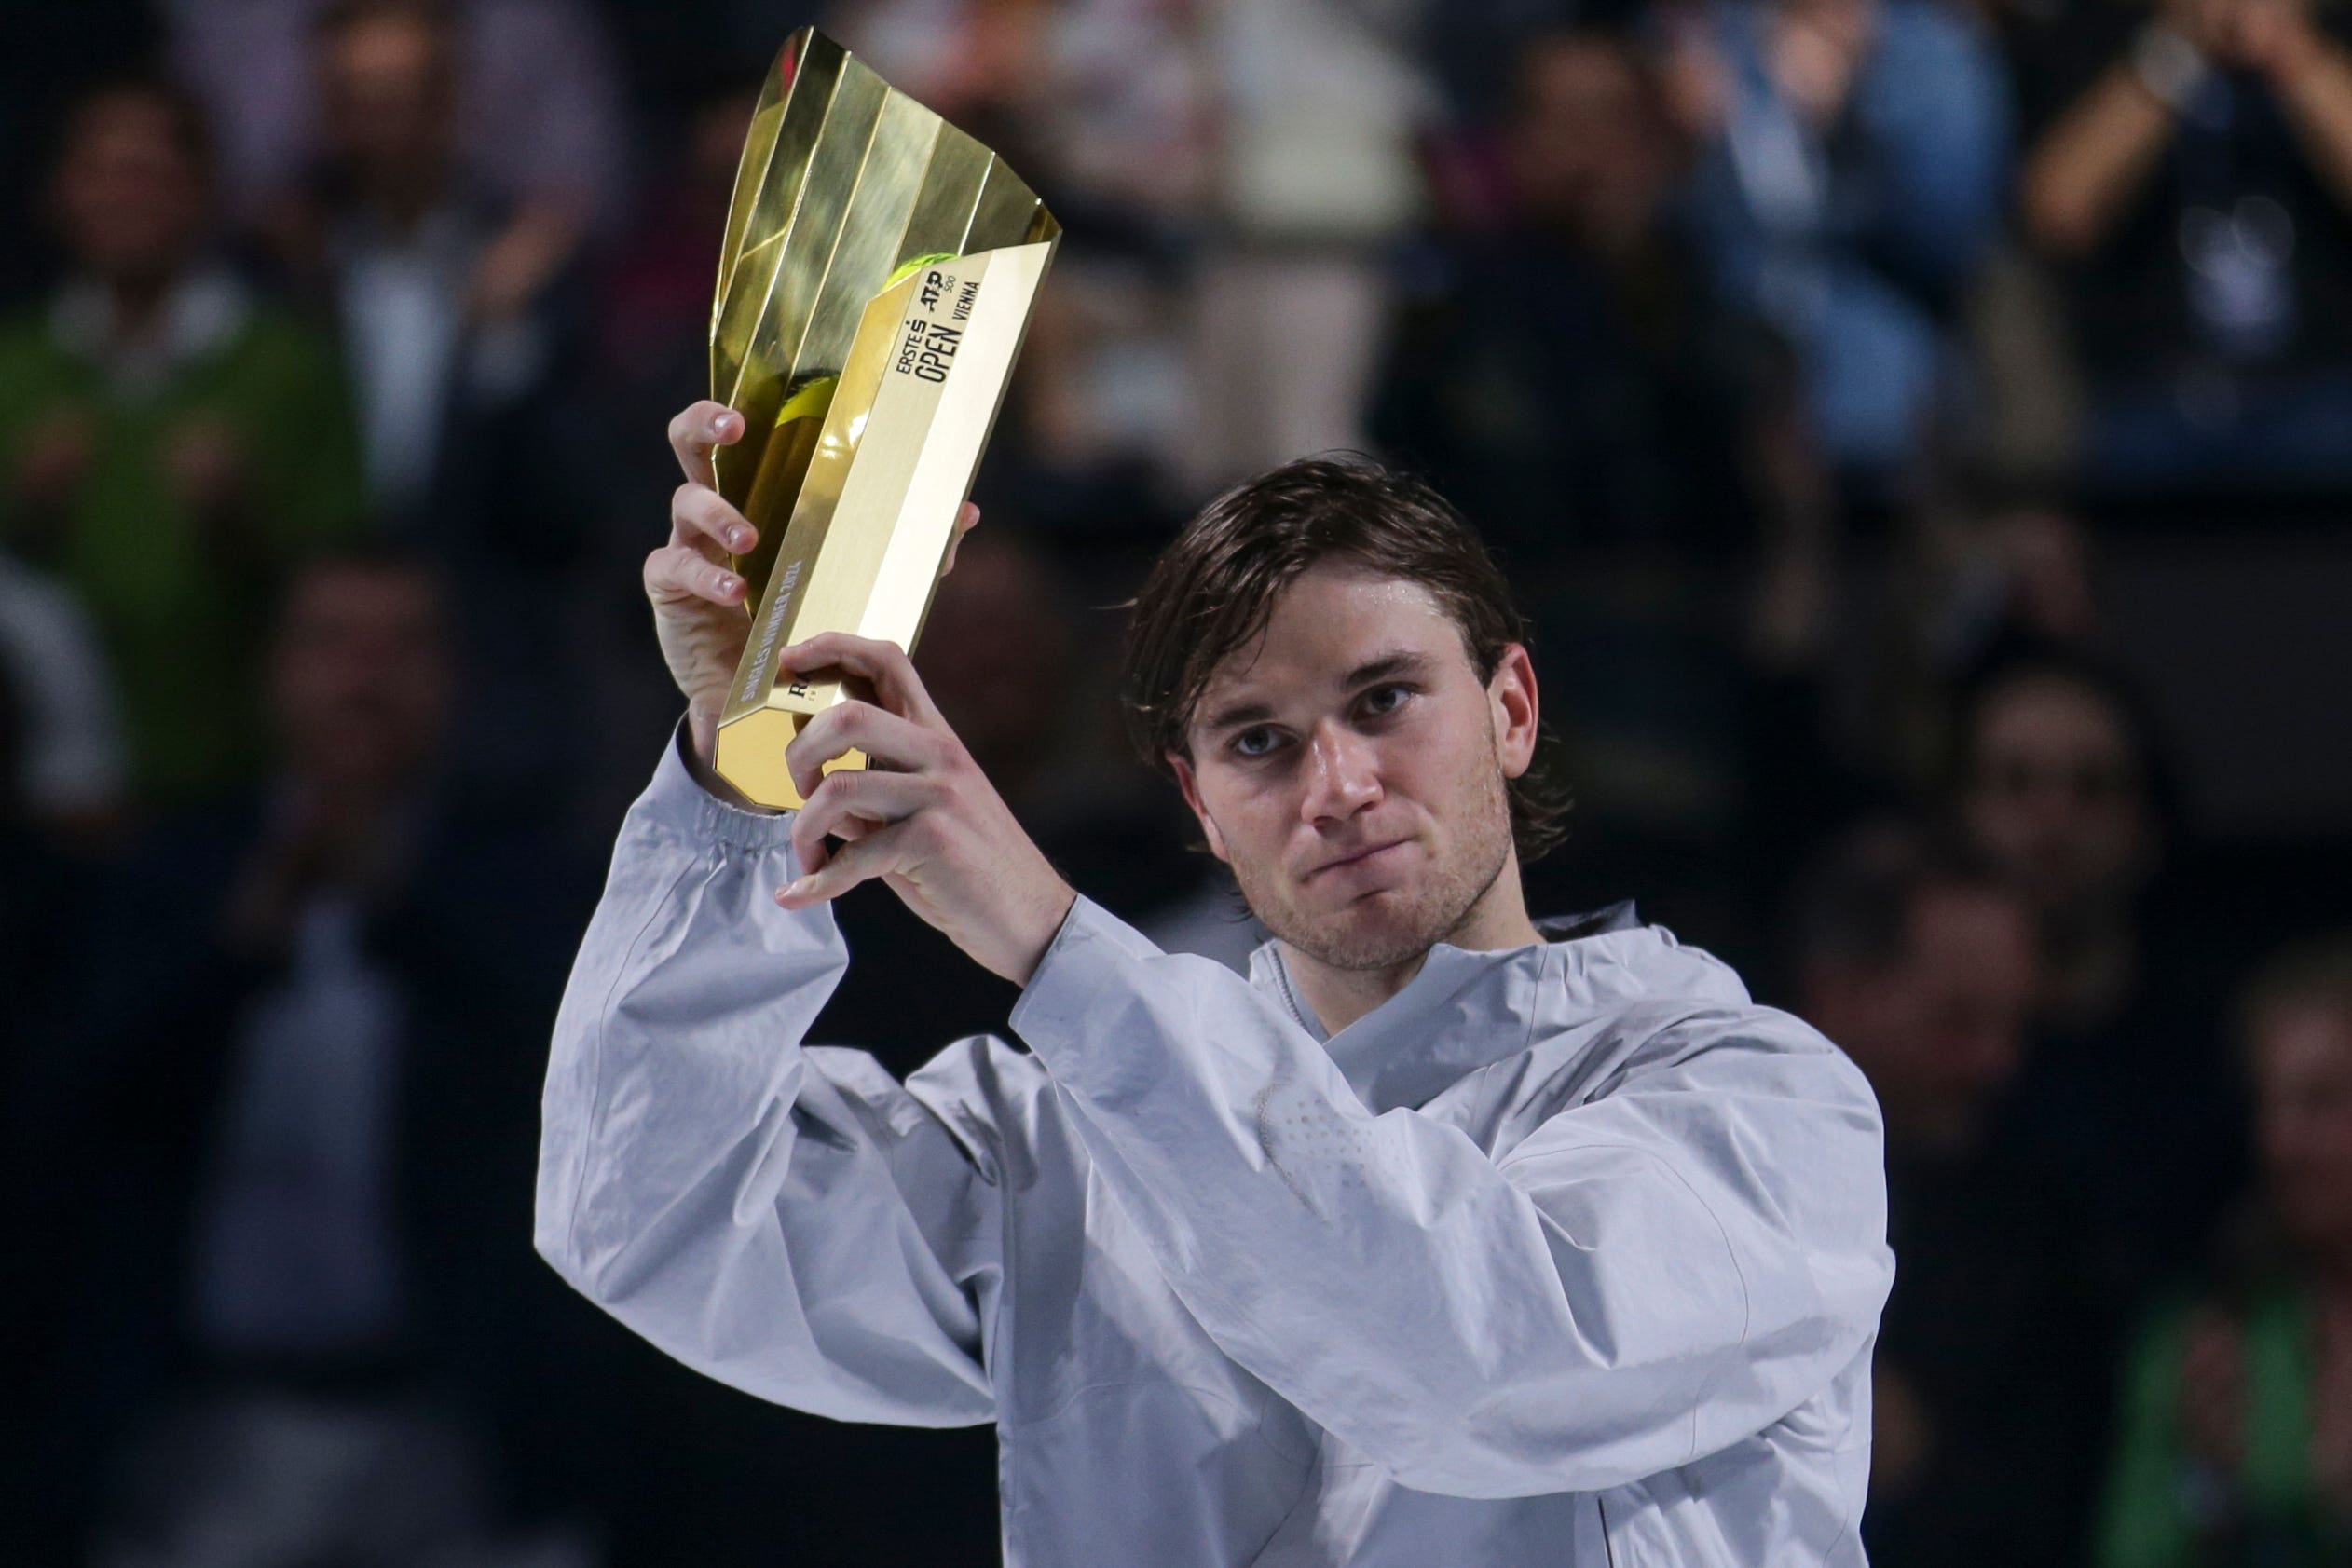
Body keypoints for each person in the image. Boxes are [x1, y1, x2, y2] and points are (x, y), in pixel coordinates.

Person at [534, 400, 1893, 1564]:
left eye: (1383, 699)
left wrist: (1055, 943)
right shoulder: (1069, 1135)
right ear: (1197, 800)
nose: (1339, 785)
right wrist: (741, 758)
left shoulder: (1758, 1103)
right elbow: (643, 1210)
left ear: (1512, 707)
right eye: (1260, 739)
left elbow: (1471, 1359)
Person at [32, 548, 606, 1563]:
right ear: (270, 671)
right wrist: (234, 950)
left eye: (404, 646)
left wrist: (400, 910)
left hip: (457, 1433)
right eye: (331, 642)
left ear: (457, 679)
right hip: (194, 1434)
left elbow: (576, 1098)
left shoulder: (530, 880)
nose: (364, 678)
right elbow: (74, 1112)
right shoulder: (173, 869)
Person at [0, 77, 362, 808]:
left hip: (242, 784)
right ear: (60, 194)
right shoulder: (16, 366)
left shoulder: (287, 365)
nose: (122, 197)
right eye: (98, 172)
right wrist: (24, 509)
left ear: (203, 193)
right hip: (34, 800)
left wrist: (243, 526)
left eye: (147, 173)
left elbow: (352, 581)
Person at [1793, 823, 2115, 1567]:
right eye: (1958, 1021)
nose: (1998, 1062)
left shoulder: (2040, 1227)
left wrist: (1913, 1459)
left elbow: (2050, 1496)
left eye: (2013, 1024)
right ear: (1836, 992)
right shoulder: (1697, 1171)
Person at [2095, 934, 2352, 1565]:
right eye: (2267, 1104)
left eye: (2319, 1101)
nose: (2278, 1142)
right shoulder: (2203, 1342)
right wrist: (2211, 1492)